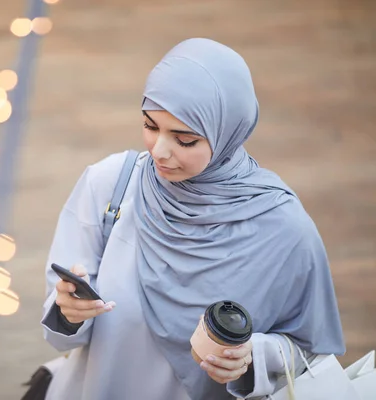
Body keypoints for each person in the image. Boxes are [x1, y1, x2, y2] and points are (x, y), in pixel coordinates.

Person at [40, 38, 345, 400]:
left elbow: (309, 348)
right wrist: (68, 312)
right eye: (150, 126)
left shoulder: (284, 229)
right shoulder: (110, 186)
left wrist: (251, 359)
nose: (160, 152)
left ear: (228, 132)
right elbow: (57, 327)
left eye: (184, 140)